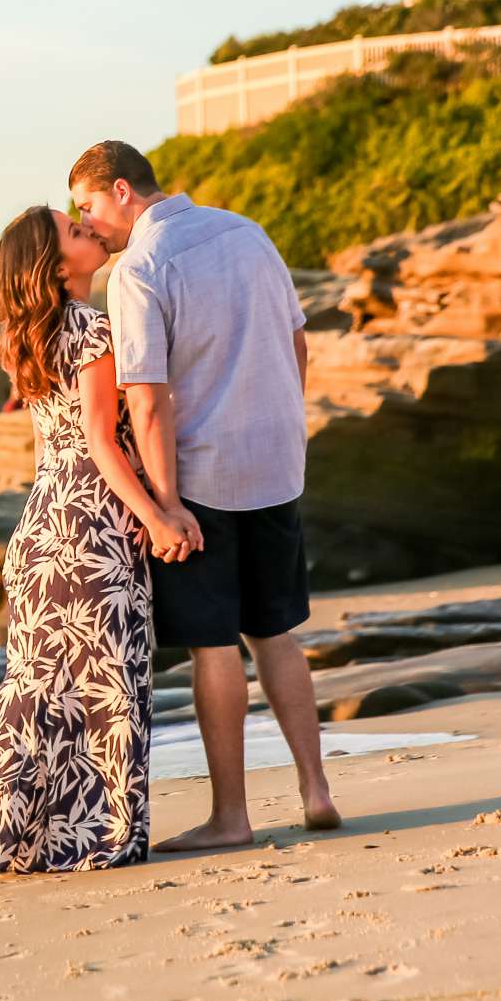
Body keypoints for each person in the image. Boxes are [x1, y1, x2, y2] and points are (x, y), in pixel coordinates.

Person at [67, 140, 343, 851]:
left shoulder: (141, 269)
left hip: (202, 479)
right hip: (276, 464)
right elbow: (297, 344)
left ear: (122, 190)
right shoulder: (248, 232)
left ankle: (231, 818)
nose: (90, 224)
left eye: (89, 207)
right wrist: (283, 426)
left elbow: (148, 401)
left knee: (214, 643)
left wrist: (164, 506)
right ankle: (317, 789)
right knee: (275, 630)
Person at [0, 206, 192, 877]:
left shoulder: (25, 336)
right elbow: (101, 443)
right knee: (108, 684)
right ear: (57, 267)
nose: (90, 231)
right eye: (75, 232)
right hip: (92, 529)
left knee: (36, 686)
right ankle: (97, 836)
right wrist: (159, 513)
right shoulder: (92, 331)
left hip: (41, 527)